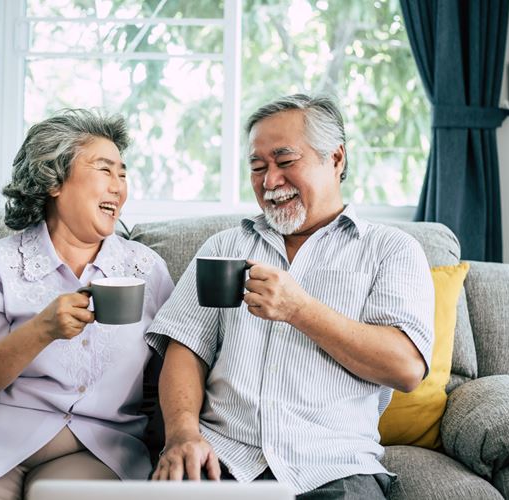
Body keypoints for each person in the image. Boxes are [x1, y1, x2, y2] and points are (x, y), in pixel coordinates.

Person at [145, 94, 434, 499]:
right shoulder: (224, 248)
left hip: (333, 467)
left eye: (285, 162)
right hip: (221, 459)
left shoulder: (390, 249)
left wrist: (301, 310)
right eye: (258, 167)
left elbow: (406, 368)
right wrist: (181, 436)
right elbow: (185, 350)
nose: (269, 181)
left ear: (335, 159)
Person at [0, 109, 174, 499]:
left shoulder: (146, 269)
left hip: (97, 444)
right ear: (54, 180)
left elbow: (172, 372)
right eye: (105, 170)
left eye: (123, 173)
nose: (119, 186)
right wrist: (41, 330)